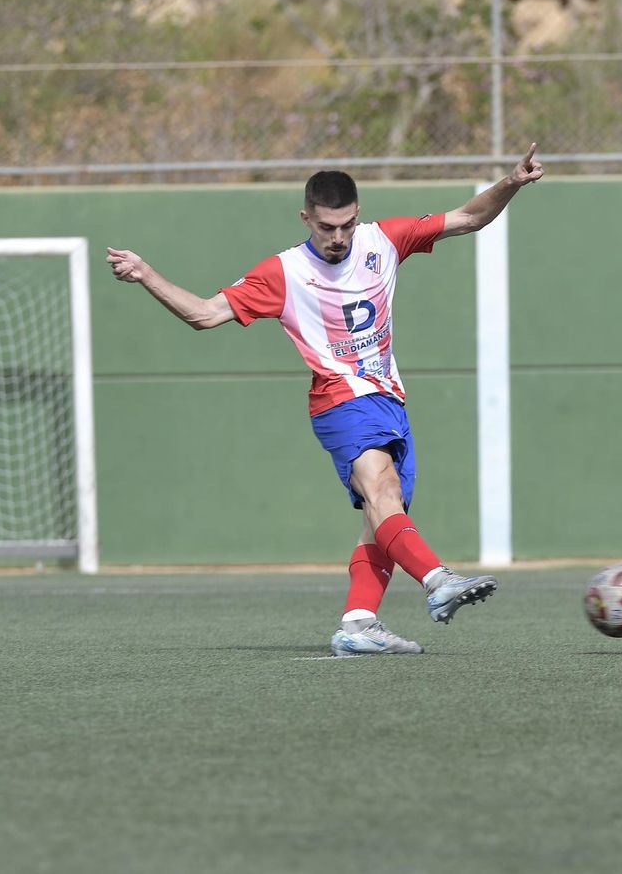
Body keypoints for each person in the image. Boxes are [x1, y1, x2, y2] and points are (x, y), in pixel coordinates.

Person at [107, 144, 545, 656]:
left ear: (357, 215)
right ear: (305, 218)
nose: (337, 238)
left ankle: (359, 625)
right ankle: (436, 579)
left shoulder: (385, 240)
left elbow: (469, 217)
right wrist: (145, 275)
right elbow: (204, 314)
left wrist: (511, 181)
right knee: (382, 492)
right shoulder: (282, 272)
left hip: (388, 400)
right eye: (325, 228)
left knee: (382, 517)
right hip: (339, 402)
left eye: (345, 226)